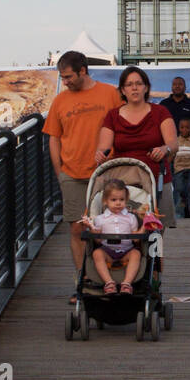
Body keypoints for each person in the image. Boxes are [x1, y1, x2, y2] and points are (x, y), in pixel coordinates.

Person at [42, 50, 121, 299]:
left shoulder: (109, 93)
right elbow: (54, 137)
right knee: (77, 230)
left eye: (67, 77)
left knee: (108, 228)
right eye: (62, 78)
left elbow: (122, 126)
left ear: (83, 71)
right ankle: (83, 281)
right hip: (72, 174)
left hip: (105, 174)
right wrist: (60, 171)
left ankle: (110, 279)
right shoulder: (60, 101)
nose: (64, 82)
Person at [96, 67, 179, 225]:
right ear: (123, 90)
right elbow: (103, 147)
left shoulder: (160, 112)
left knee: (156, 229)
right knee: (124, 227)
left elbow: (173, 143)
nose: (134, 88)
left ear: (146, 87)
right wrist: (100, 154)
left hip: (156, 177)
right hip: (123, 180)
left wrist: (164, 149)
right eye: (129, 84)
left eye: (139, 83)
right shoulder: (112, 116)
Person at [86, 178, 143, 295]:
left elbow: (136, 239)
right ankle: (109, 283)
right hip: (108, 251)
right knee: (97, 253)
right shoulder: (100, 219)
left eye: (122, 200)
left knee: (136, 254)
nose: (118, 203)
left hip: (127, 250)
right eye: (113, 200)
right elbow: (98, 241)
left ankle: (127, 284)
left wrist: (145, 226)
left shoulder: (131, 218)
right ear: (105, 201)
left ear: (126, 200)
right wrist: (92, 228)